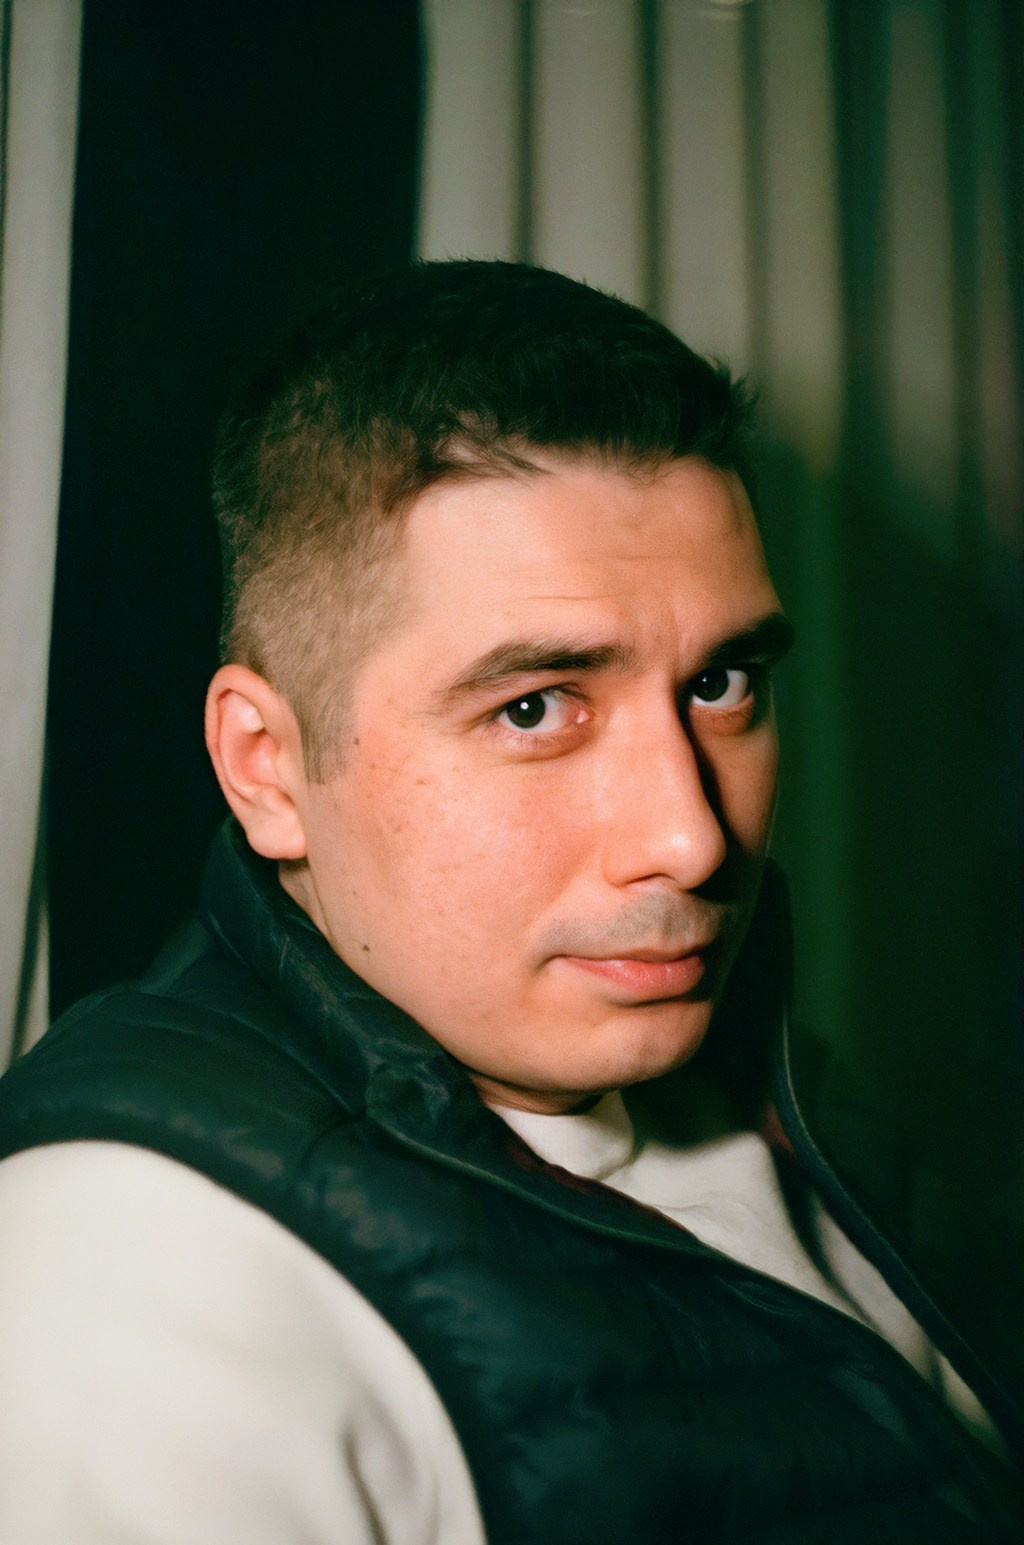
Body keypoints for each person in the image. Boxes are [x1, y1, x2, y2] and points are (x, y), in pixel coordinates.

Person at [0, 261, 1018, 1544]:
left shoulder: (769, 1079)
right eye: (533, 707)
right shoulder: (139, 1279)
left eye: (720, 685)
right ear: (268, 767)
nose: (690, 839)